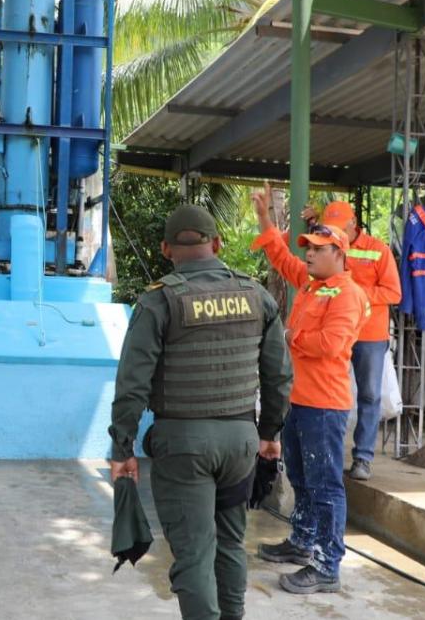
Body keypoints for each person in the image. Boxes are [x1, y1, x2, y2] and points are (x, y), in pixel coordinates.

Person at [109, 204, 293, 620]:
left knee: (193, 553)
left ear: (165, 248)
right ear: (217, 243)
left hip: (184, 447)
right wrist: (269, 434)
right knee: (230, 543)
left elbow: (132, 385)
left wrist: (122, 449)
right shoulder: (256, 295)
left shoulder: (160, 301)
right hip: (241, 444)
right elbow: (280, 374)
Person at [250, 183, 369, 595]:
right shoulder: (313, 284)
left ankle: (327, 563)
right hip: (300, 402)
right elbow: (281, 257)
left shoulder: (347, 294)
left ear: (339, 252)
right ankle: (301, 542)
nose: (309, 254)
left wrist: (289, 335)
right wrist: (265, 218)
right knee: (300, 476)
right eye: (310, 249)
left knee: (325, 485)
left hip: (325, 406)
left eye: (318, 249)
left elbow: (332, 344)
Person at [305, 202, 401, 480]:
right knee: (328, 390)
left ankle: (363, 458)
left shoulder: (378, 250)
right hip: (335, 333)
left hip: (369, 336)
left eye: (339, 227)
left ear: (353, 223)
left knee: (369, 395)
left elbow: (393, 293)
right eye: (329, 228)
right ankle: (327, 454)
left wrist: (355, 294)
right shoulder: (329, 246)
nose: (335, 233)